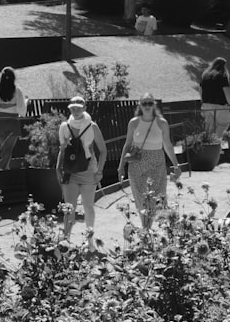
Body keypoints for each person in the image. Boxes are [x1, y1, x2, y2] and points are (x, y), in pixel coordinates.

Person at [117, 94, 182, 229]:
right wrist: (121, 166)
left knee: (156, 199)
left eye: (150, 103)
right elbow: (127, 144)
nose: (147, 106)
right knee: (141, 200)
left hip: (157, 164)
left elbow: (168, 145)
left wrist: (176, 165)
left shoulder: (162, 123)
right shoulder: (133, 123)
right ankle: (146, 229)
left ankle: (148, 230)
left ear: (154, 105)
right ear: (140, 105)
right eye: (144, 103)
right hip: (137, 166)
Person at [57, 97, 107, 243]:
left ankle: (90, 239)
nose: (75, 110)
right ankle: (66, 240)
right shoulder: (65, 126)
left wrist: (100, 171)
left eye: (79, 107)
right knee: (69, 208)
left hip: (88, 169)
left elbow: (103, 150)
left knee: (88, 206)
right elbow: (62, 149)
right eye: (73, 107)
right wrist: (58, 167)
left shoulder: (92, 126)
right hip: (70, 170)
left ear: (84, 108)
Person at [0, 67, 27, 169]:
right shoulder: (17, 90)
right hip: (13, 121)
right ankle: (3, 168)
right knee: (9, 149)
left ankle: (5, 168)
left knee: (3, 148)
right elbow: (21, 109)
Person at [200, 57, 230, 139]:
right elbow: (227, 92)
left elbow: (200, 91)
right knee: (223, 125)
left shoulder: (205, 76)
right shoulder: (222, 76)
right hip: (220, 107)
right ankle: (217, 145)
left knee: (209, 129)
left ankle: (209, 147)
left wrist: (203, 104)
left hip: (206, 106)